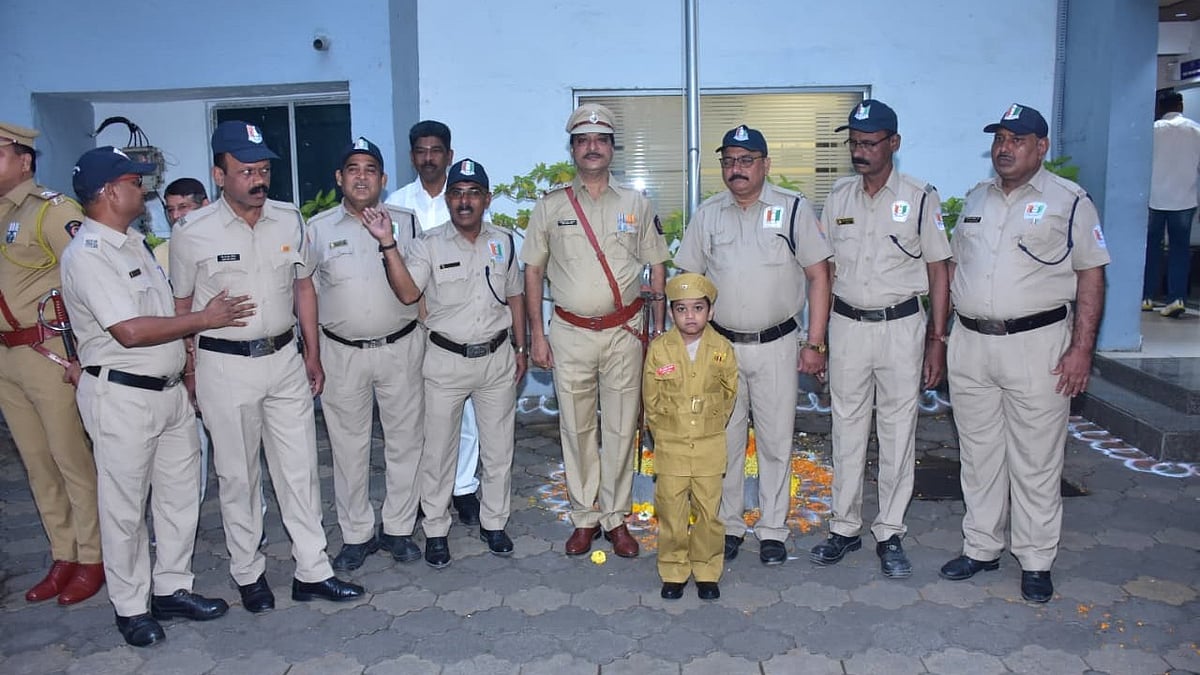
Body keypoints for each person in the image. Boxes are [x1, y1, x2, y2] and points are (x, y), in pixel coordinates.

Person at [169, 120, 364, 612]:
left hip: (284, 361)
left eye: (263, 169)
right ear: (219, 174)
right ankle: (248, 573)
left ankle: (313, 571)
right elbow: (181, 306)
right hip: (223, 366)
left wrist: (312, 354)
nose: (258, 180)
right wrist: (189, 370)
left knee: (299, 469)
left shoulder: (287, 219)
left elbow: (303, 287)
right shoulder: (192, 232)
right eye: (245, 171)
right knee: (238, 476)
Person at [62, 147, 252, 646]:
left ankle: (171, 587)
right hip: (122, 397)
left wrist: (187, 369)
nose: (143, 191)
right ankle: (130, 606)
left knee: (178, 497)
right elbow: (128, 330)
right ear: (107, 192)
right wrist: (204, 321)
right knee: (124, 505)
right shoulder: (89, 254)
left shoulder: (134, 244)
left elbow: (159, 314)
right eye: (134, 181)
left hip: (166, 394)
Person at [940, 103, 1108, 603]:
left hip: (1038, 346)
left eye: (1017, 139)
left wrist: (1082, 350)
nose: (1004, 148)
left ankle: (1036, 560)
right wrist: (944, 336)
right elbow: (956, 270)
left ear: (1042, 147)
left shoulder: (1071, 201)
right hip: (971, 344)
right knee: (979, 455)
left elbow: (1091, 275)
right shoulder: (976, 198)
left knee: (1035, 459)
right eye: (999, 139)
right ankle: (982, 547)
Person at [675, 125, 832, 566]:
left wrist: (815, 342)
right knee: (723, 442)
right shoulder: (708, 215)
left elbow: (820, 275)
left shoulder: (793, 209)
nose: (736, 170)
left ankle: (773, 529)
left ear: (765, 165)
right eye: (728, 161)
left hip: (778, 345)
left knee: (775, 440)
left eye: (746, 161)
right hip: (721, 346)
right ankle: (729, 524)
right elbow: (689, 281)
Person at [810, 100, 952, 578]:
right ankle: (844, 528)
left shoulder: (919, 196)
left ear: (894, 143)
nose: (860, 152)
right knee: (846, 429)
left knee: (896, 431)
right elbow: (825, 272)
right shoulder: (839, 197)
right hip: (848, 326)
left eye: (869, 143)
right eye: (853, 142)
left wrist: (938, 338)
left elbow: (939, 270)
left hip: (901, 328)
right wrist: (821, 338)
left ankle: (890, 531)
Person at [522, 103, 668, 559]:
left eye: (600, 140)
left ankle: (616, 518)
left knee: (623, 427)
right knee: (577, 427)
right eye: (583, 140)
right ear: (572, 149)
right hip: (569, 333)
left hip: (625, 331)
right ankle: (585, 516)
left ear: (611, 149)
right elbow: (532, 273)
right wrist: (536, 337)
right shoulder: (551, 206)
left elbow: (657, 265)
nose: (592, 147)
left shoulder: (636, 204)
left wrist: (659, 332)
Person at [369, 158, 526, 566]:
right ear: (448, 198)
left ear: (487, 199)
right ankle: (436, 528)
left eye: (473, 193)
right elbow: (407, 294)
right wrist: (388, 245)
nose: (464, 201)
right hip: (444, 360)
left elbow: (514, 295)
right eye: (456, 193)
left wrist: (522, 348)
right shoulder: (428, 244)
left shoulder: (504, 241)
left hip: (495, 359)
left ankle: (495, 522)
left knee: (498, 449)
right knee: (438, 452)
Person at [307, 137, 425, 570]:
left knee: (405, 443)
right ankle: (356, 533)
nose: (361, 176)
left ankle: (397, 529)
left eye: (370, 169)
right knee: (348, 447)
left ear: (383, 179)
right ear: (340, 178)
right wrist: (313, 355)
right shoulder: (317, 230)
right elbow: (308, 297)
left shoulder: (406, 223)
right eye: (353, 168)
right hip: (342, 355)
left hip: (400, 348)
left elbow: (418, 288)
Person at [0, 121, 104, 606]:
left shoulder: (52, 211)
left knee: (71, 459)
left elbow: (87, 279)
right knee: (37, 463)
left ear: (24, 160)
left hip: (48, 354)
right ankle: (63, 552)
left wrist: (83, 356)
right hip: (7, 357)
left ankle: (94, 556)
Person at [385, 120, 481, 526]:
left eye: (436, 150)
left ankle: (463, 487)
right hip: (409, 323)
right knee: (419, 412)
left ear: (449, 155)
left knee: (467, 414)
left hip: (456, 323)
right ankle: (429, 491)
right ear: (412, 156)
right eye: (421, 151)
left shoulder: (464, 196)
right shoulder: (395, 204)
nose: (428, 158)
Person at [643, 273, 737, 601]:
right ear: (671, 313)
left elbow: (729, 394)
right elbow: (651, 400)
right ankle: (673, 569)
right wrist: (666, 432)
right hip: (671, 446)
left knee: (709, 513)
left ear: (710, 312)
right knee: (671, 512)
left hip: (710, 446)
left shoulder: (722, 349)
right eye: (682, 309)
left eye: (698, 308)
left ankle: (707, 570)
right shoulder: (660, 349)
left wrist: (707, 423)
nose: (690, 316)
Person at [1144, 92, 1200, 318]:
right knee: (1180, 249)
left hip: (1153, 199)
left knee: (1151, 248)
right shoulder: (1196, 131)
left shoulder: (1153, 131)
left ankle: (1146, 296)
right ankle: (1176, 298)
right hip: (1185, 200)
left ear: (1160, 107)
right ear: (1181, 106)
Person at [156, 178, 210, 272]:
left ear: (205, 206)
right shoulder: (161, 253)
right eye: (170, 210)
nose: (175, 216)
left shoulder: (226, 244)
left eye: (183, 207)